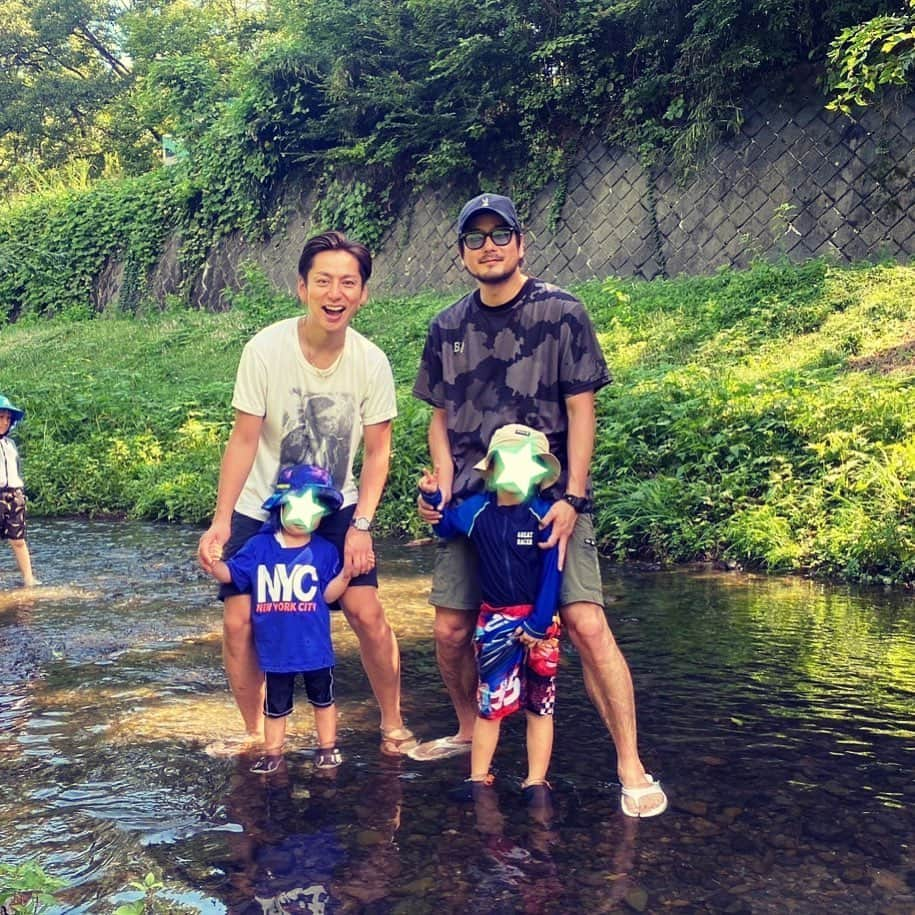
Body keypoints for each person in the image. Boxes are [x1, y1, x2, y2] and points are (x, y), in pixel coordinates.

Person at [411, 193, 667, 817]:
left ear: (521, 243)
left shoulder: (561, 312)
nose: (489, 245)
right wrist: (441, 478)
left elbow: (582, 408)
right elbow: (438, 418)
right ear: (462, 254)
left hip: (550, 503)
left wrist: (575, 495)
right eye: (476, 238)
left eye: (501, 234)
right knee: (450, 631)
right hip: (474, 504)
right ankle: (472, 730)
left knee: (584, 624)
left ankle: (630, 762)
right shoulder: (447, 327)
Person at [197, 230, 416, 758]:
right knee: (239, 620)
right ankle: (255, 732)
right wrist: (222, 519)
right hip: (262, 504)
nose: (335, 293)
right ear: (302, 287)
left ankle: (393, 722)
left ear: (363, 293)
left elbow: (378, 454)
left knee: (365, 610)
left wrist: (361, 525)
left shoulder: (372, 362)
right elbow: (245, 437)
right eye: (323, 281)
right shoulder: (266, 349)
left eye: (348, 282)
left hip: (333, 505)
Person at [418, 423, 563, 802]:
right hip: (495, 621)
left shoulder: (543, 514)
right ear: (493, 468)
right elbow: (446, 527)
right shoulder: (476, 510)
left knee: (539, 704)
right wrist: (432, 497)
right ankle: (478, 778)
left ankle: (535, 782)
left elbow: (554, 572)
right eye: (509, 463)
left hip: (540, 624)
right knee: (490, 705)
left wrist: (540, 620)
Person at [208, 464, 350, 774]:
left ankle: (327, 748)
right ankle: (273, 754)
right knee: (275, 706)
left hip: (315, 650)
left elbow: (328, 595)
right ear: (281, 506)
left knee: (323, 699)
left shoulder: (325, 551)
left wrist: (348, 573)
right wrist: (211, 562)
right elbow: (232, 574)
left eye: (314, 509)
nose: (304, 516)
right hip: (275, 651)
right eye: (298, 505)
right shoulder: (259, 547)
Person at [0, 395, 38, 589]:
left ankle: (29, 579)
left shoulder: (10, 444)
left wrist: (20, 494)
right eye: (1, 417)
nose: (5, 422)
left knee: (19, 540)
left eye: (8, 418)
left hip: (14, 495)